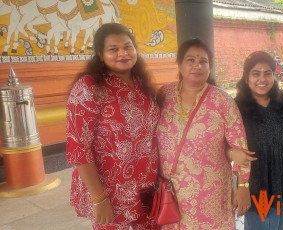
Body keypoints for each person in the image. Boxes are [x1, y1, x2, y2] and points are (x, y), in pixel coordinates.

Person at [66, 23, 160, 229]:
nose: (122, 53)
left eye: (128, 47)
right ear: (100, 54)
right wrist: (99, 198)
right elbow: (78, 147)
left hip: (147, 188)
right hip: (110, 192)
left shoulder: (142, 84)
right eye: (113, 49)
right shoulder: (89, 87)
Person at [156, 38, 256, 229]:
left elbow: (241, 148)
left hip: (211, 193)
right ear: (179, 63)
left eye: (203, 61)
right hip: (172, 191)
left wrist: (243, 186)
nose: (197, 65)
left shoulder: (221, 101)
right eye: (191, 60)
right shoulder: (164, 95)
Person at [234, 51, 283, 230]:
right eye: (255, 73)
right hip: (256, 186)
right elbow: (232, 150)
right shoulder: (236, 107)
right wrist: (242, 186)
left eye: (268, 73)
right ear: (246, 78)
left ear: (274, 76)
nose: (262, 79)